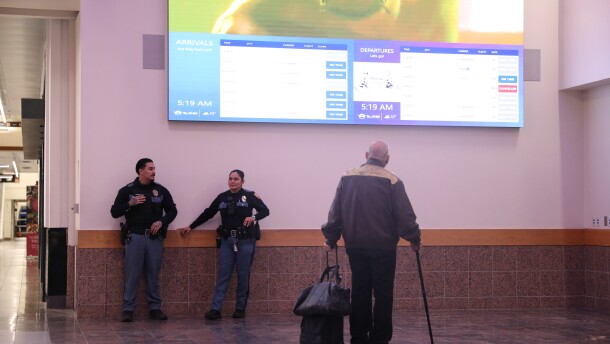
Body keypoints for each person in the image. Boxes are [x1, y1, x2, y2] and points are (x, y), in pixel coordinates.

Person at [322, 140, 421, 344]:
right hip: (383, 248)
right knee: (383, 294)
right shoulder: (392, 180)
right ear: (387, 159)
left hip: (356, 246)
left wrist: (331, 238)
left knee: (360, 291)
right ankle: (380, 337)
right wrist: (414, 237)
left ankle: (358, 336)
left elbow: (335, 212)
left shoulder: (347, 176)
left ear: (366, 155)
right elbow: (404, 215)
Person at [179, 169, 269, 320]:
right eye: (230, 179)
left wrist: (253, 217)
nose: (233, 181)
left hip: (245, 240)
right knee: (223, 275)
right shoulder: (222, 197)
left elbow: (265, 211)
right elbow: (208, 213)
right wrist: (191, 226)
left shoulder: (250, 195)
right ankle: (215, 309)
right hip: (227, 241)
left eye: (236, 179)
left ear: (242, 181)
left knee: (242, 275)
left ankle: (240, 308)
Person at [110, 158, 178, 322]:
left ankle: (155, 308)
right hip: (135, 238)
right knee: (132, 274)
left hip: (154, 239)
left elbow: (173, 211)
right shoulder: (127, 190)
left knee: (153, 274)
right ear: (140, 171)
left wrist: (162, 221)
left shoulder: (160, 191)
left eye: (154, 168)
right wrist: (130, 203)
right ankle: (128, 309)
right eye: (150, 168)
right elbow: (114, 212)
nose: (154, 171)